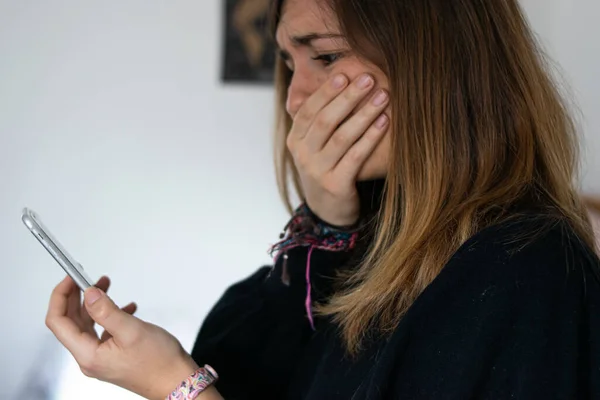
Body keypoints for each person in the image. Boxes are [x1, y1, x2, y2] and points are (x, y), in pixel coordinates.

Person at [45, 0, 600, 399]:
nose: (295, 98)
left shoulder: (529, 273)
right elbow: (257, 362)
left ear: (443, 64)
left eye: (328, 58)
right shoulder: (375, 237)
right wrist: (328, 221)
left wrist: (177, 388)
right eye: (289, 61)